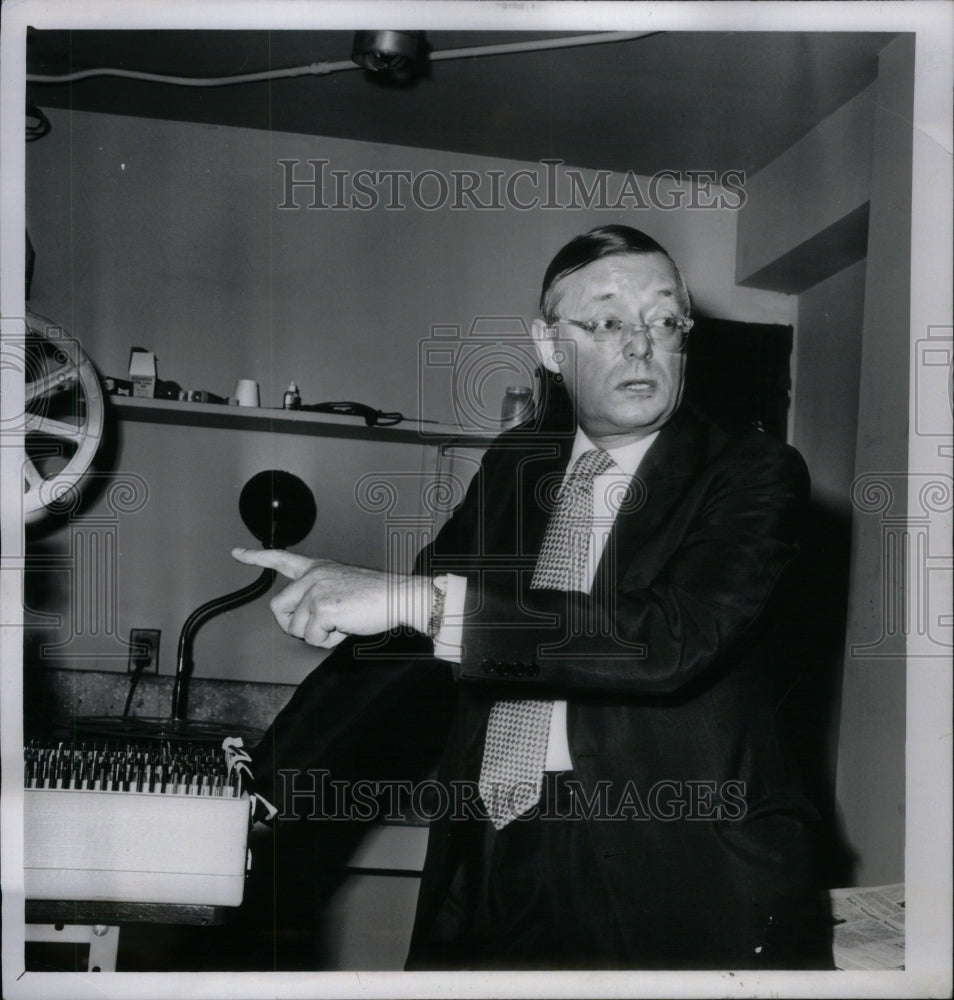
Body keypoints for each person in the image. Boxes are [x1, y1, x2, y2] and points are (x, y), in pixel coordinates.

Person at [233, 225, 833, 970]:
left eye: (665, 320)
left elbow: (666, 639)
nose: (642, 345)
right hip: (493, 845)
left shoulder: (754, 473)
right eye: (608, 321)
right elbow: (404, 650)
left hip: (676, 867)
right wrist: (254, 791)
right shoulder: (517, 467)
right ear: (551, 349)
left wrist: (413, 599)